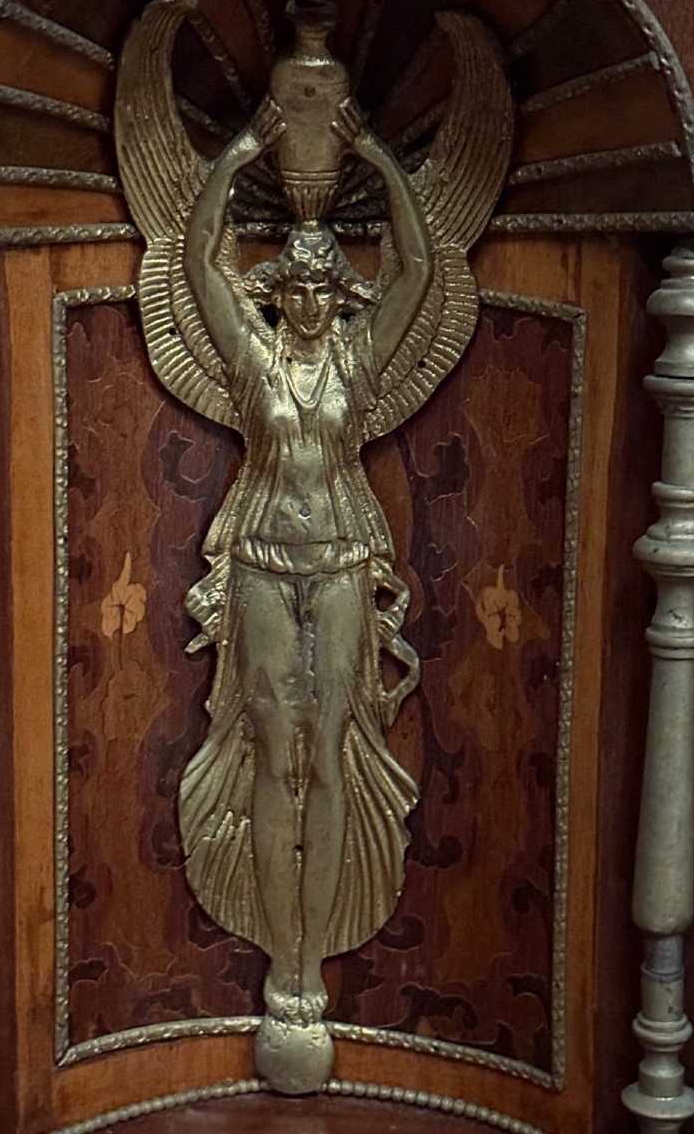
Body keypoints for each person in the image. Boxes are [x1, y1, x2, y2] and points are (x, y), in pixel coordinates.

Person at [177, 96, 429, 1027]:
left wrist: (376, 153)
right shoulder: (251, 362)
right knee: (272, 749)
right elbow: (200, 258)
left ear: (343, 292)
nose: (317, 297)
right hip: (259, 562)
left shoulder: (361, 362)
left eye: (331, 283)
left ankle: (307, 962)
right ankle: (279, 951)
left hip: (342, 561)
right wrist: (238, 152)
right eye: (302, 284)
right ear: (278, 290)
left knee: (325, 754)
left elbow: (421, 266)